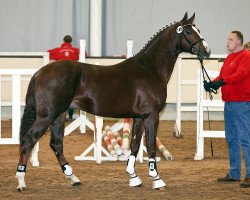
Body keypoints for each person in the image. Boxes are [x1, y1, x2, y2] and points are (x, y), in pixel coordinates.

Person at [204, 31, 250, 188]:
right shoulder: (230, 58)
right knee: (232, 138)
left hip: (241, 103)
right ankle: (234, 173)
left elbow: (241, 75)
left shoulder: (246, 56)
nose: (227, 41)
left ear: (239, 42)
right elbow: (222, 76)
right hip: (230, 103)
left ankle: (249, 174)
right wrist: (212, 83)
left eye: (230, 39)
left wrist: (222, 81)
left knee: (245, 138)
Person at [47, 35, 80, 121]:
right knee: (71, 96)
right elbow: (85, 54)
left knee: (58, 96)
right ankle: (70, 116)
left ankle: (58, 116)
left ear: (63, 41)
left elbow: (47, 53)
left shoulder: (57, 50)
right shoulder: (76, 51)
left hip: (59, 77)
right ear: (71, 41)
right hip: (71, 77)